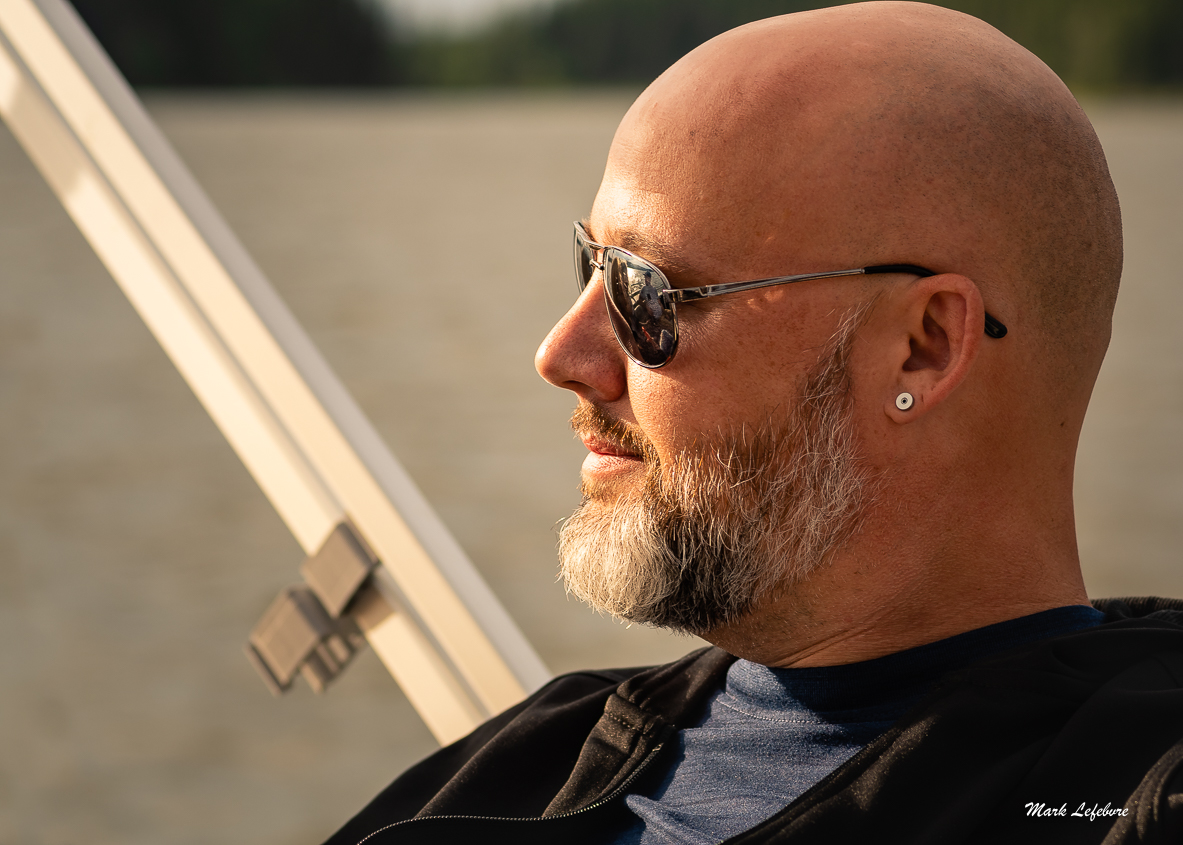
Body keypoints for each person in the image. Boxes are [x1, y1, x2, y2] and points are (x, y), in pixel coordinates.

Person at [324, 3, 1183, 843]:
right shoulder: (530, 756)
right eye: (591, 266)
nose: (561, 354)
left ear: (920, 349)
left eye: (644, 293)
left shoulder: (1129, 801)